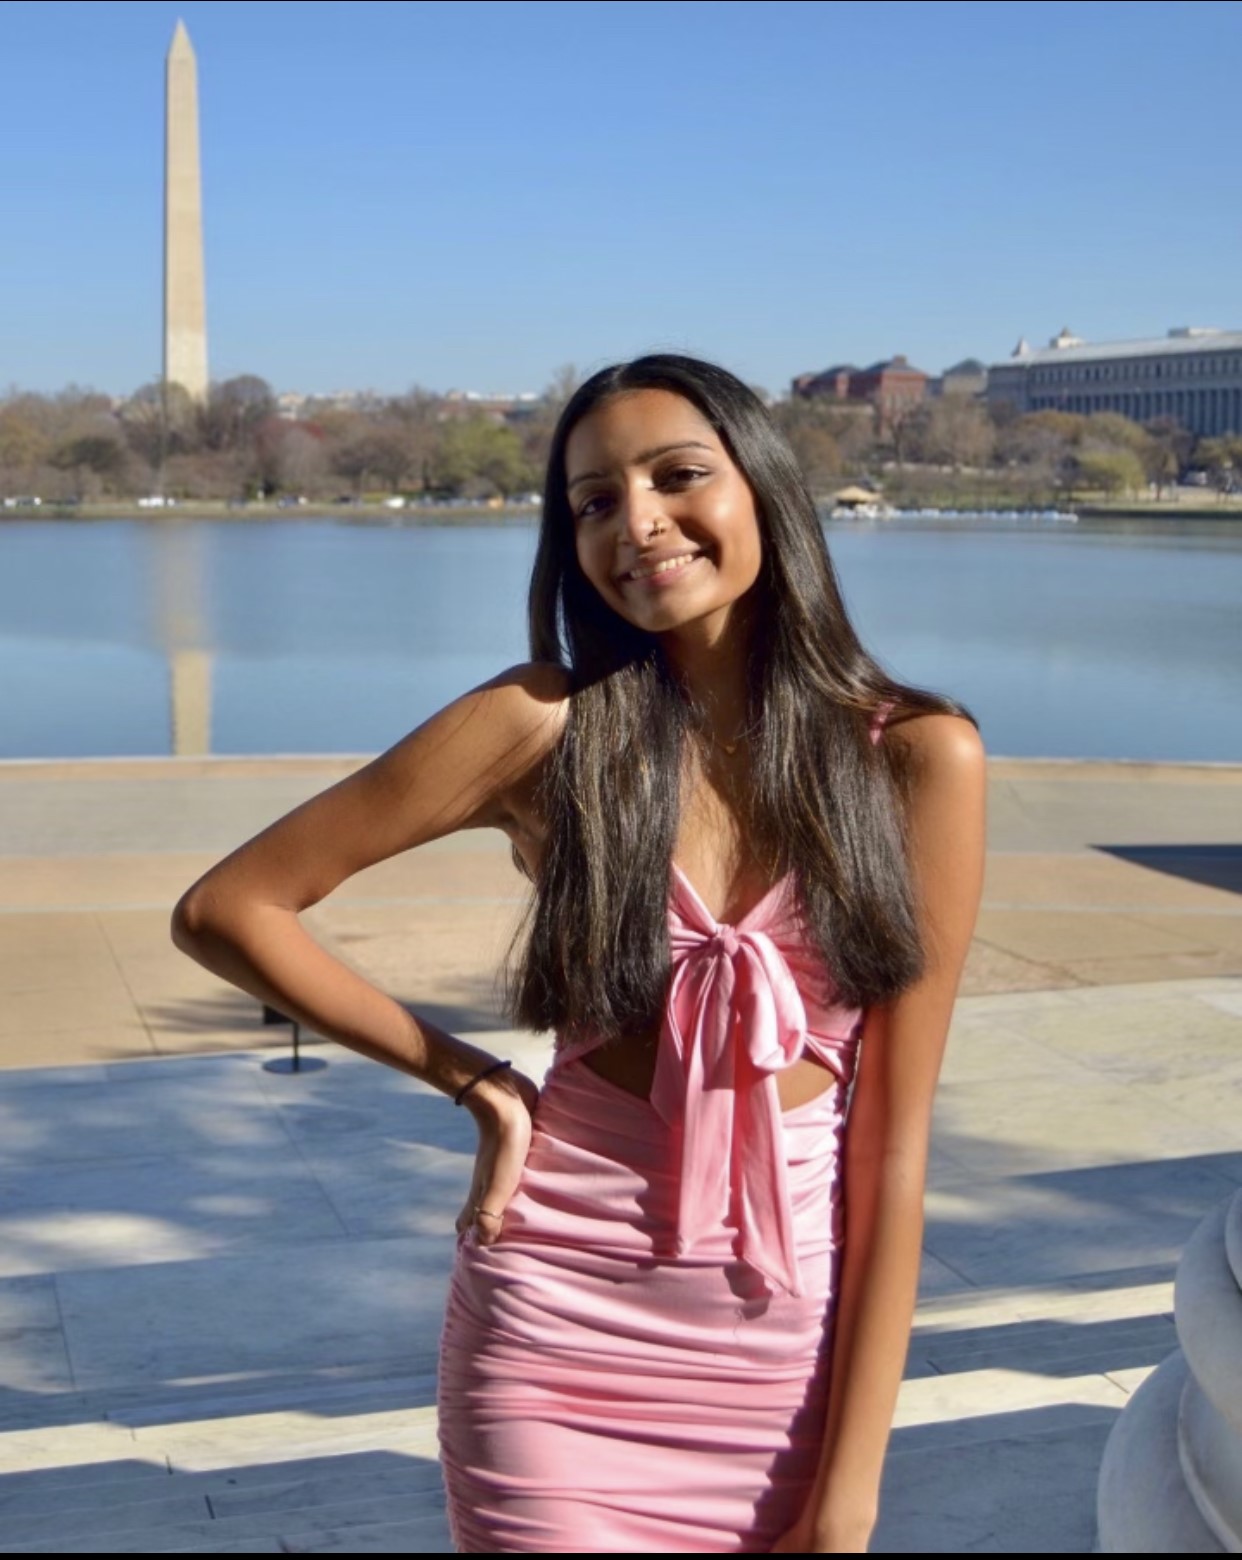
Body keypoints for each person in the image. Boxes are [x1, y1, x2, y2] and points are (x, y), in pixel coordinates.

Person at [172, 354, 986, 1554]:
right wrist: (479, 1082)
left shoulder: (917, 759)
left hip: (782, 1352)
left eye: (677, 476)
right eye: (594, 502)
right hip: (554, 1338)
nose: (638, 523)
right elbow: (231, 908)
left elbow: (895, 1146)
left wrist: (849, 1491)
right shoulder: (544, 726)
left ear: (762, 488)